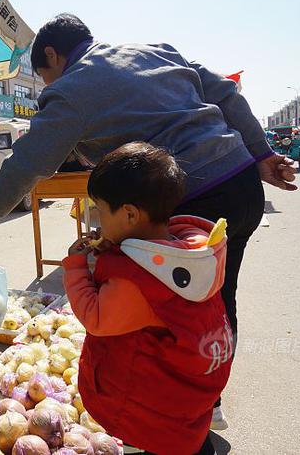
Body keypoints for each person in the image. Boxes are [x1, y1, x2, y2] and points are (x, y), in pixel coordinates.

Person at [0, 13, 297, 428]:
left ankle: (172, 419)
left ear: (52, 54)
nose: (48, 85)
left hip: (187, 200)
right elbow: (227, 93)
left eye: (44, 75)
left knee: (161, 318)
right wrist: (261, 154)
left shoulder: (72, 89)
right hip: (243, 185)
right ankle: (207, 404)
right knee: (215, 300)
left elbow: (30, 161)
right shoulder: (155, 51)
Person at [64, 143, 232, 455]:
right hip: (184, 399)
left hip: (149, 414)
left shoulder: (137, 280)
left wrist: (76, 267)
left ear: (129, 214)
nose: (95, 221)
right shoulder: (186, 254)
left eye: (99, 210)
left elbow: (95, 317)